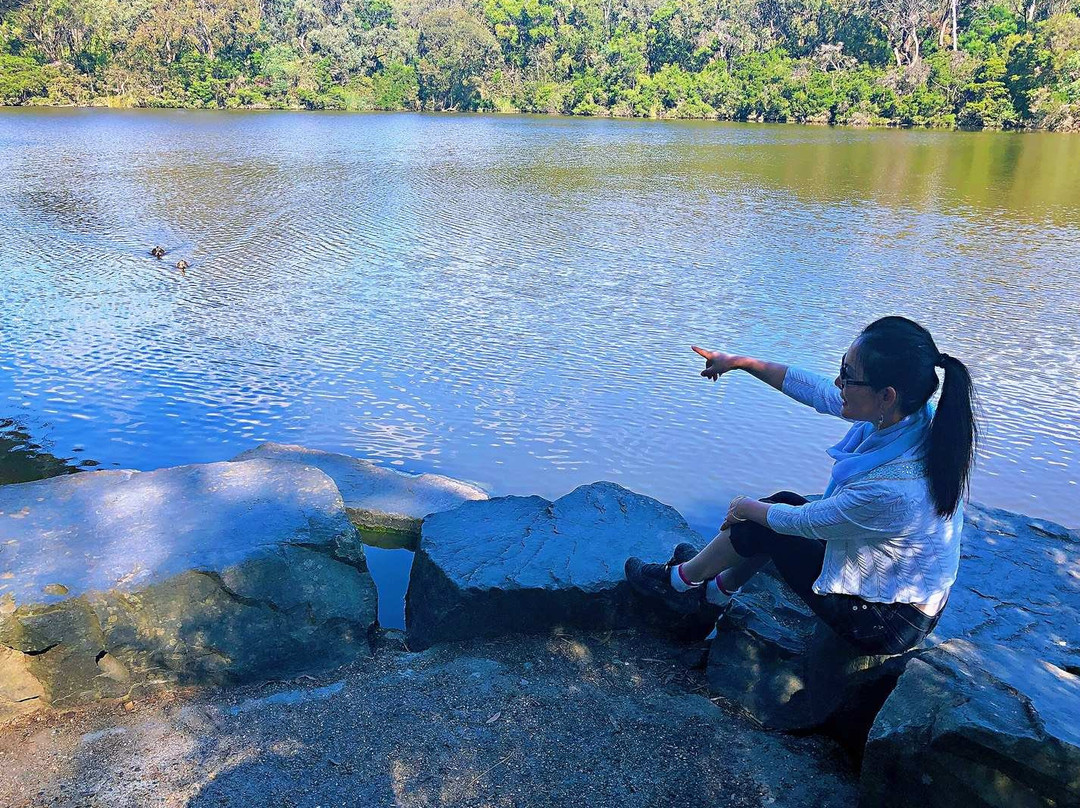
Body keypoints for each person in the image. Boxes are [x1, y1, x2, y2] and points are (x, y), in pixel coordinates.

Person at [625, 316, 978, 655]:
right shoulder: (910, 416)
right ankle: (714, 592)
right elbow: (816, 390)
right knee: (778, 505)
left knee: (770, 522)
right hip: (899, 585)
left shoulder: (895, 488)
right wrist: (740, 362)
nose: (838, 383)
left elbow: (802, 523)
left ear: (886, 395)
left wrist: (744, 506)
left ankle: (678, 585)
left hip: (886, 621)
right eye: (842, 368)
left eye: (848, 376)